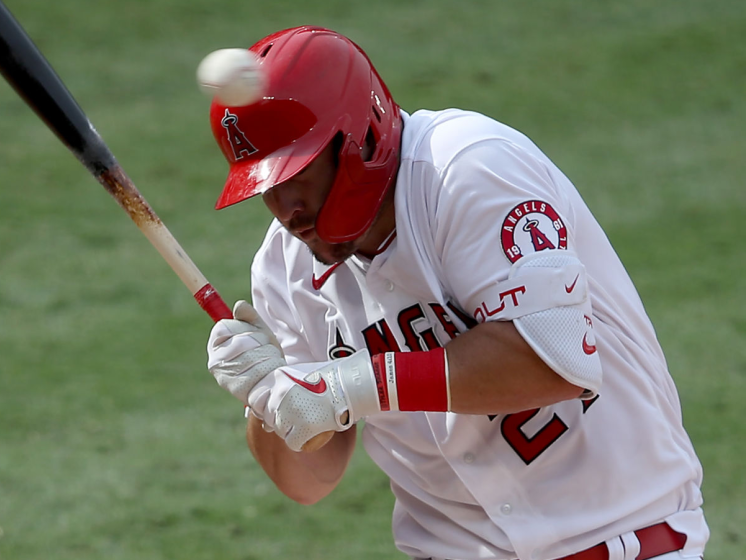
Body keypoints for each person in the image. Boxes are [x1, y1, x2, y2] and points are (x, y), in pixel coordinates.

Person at [204, 26, 709, 560]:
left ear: (361, 136)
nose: (286, 208)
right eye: (265, 187)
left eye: (298, 173)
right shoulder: (284, 268)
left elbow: (556, 361)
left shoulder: (468, 170)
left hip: (622, 540)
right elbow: (310, 479)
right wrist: (269, 396)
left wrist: (348, 385)